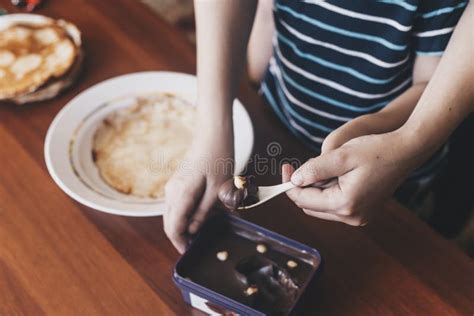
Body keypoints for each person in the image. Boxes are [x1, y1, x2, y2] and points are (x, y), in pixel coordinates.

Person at [164, 0, 469, 253]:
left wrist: (398, 138)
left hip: (392, 187)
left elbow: (429, 82)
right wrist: (213, 128)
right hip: (280, 133)